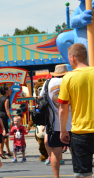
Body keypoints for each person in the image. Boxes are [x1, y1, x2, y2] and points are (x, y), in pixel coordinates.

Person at [58, 43, 94, 178]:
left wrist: (62, 130)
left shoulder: (68, 78)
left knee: (83, 174)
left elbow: (63, 109)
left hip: (80, 132)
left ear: (72, 58)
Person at [39, 65, 72, 178]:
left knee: (55, 153)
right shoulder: (70, 80)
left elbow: (40, 99)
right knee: (76, 153)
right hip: (72, 123)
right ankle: (79, 175)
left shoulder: (48, 82)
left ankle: (56, 177)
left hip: (54, 125)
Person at [0, 85, 13, 159]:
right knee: (4, 135)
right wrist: (11, 119)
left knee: (3, 135)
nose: (10, 89)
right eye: (8, 89)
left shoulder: (0, 98)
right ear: (6, 91)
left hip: (0, 116)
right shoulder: (6, 99)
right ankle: (2, 152)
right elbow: (7, 110)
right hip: (3, 117)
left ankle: (7, 150)